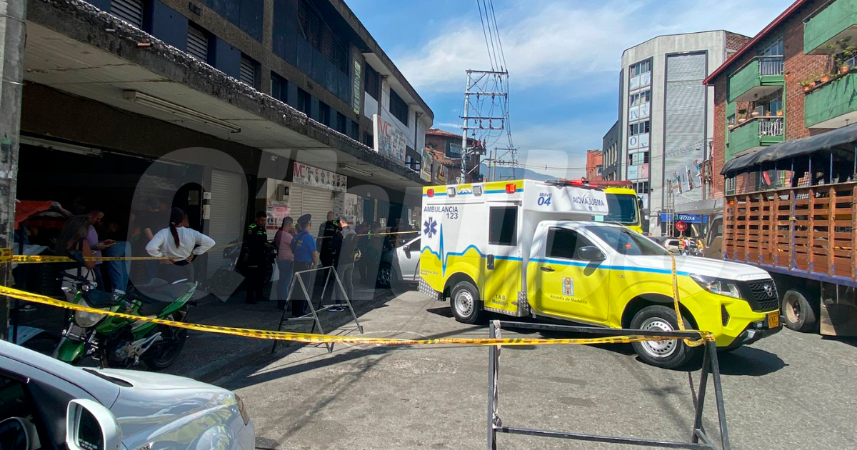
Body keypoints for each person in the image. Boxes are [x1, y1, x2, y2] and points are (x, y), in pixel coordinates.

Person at [145, 207, 215, 284]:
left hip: (168, 269)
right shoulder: (192, 233)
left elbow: (150, 248)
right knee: (186, 292)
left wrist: (162, 257)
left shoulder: (163, 233)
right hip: (187, 268)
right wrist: (194, 252)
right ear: (182, 220)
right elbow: (210, 242)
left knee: (168, 293)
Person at [55, 215, 98, 284]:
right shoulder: (81, 242)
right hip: (78, 278)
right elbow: (90, 264)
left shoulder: (61, 241)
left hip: (63, 278)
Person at [291, 214, 319, 317]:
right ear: (309, 224)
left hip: (296, 264)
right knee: (305, 288)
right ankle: (301, 311)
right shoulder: (308, 237)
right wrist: (316, 264)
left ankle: (295, 310)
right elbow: (314, 254)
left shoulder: (296, 237)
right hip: (306, 266)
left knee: (296, 288)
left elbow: (293, 249)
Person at [330, 217, 357, 311]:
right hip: (350, 260)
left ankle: (338, 302)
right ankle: (350, 302)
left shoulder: (339, 234)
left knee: (338, 282)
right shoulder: (353, 233)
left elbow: (333, 247)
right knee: (349, 282)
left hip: (341, 261)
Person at [85, 208, 115, 290]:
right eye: (97, 218)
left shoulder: (91, 227)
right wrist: (96, 247)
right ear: (90, 215)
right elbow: (82, 245)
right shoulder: (83, 228)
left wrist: (103, 242)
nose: (98, 221)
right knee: (98, 288)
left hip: (96, 261)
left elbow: (92, 242)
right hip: (90, 262)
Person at [243, 211, 270, 304]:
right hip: (254, 255)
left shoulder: (263, 229)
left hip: (262, 255)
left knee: (261, 276)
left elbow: (264, 240)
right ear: (257, 219)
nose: (263, 222)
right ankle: (250, 297)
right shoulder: (252, 227)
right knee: (252, 277)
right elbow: (251, 240)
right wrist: (262, 243)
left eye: (264, 220)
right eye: (261, 220)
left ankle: (259, 295)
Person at [316, 211, 340, 300]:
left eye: (330, 215)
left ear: (333, 216)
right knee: (323, 261)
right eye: (327, 215)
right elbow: (319, 236)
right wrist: (318, 246)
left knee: (328, 263)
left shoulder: (336, 224)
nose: (328, 217)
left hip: (331, 248)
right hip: (323, 247)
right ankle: (330, 276)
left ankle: (326, 279)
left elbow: (338, 236)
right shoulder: (323, 224)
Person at [273, 217, 296, 311]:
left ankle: (280, 302)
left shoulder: (278, 233)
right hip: (287, 260)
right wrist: (295, 234)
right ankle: (284, 303)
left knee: (282, 281)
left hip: (281, 259)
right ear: (289, 224)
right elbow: (296, 245)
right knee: (286, 283)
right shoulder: (286, 235)